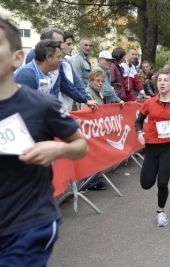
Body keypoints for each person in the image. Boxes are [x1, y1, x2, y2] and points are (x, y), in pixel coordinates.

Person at [0, 18, 88, 266]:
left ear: (17, 58)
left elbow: (80, 146)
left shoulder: (41, 105)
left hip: (28, 225)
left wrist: (59, 148)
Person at [135, 70, 170, 227]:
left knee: (162, 182)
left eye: (165, 80)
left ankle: (161, 211)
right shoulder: (149, 103)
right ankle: (158, 202)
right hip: (152, 147)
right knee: (146, 184)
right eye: (159, 80)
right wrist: (139, 132)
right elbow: (138, 121)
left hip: (169, 147)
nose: (161, 83)